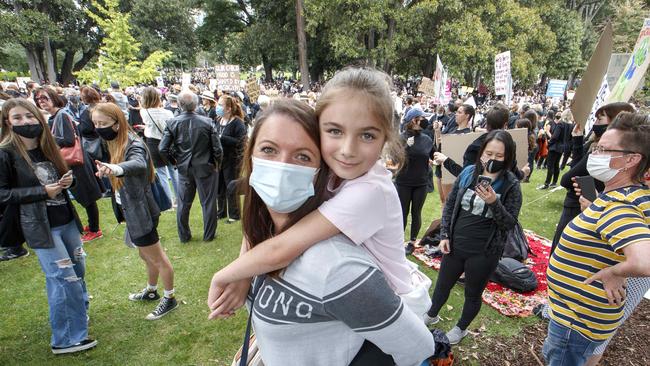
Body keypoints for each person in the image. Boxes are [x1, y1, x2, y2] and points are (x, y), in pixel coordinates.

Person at [208, 98, 437, 365]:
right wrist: (245, 273)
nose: (283, 167)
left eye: (302, 156)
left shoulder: (337, 266)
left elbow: (417, 347)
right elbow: (267, 239)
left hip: (400, 292)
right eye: (269, 150)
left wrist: (228, 273)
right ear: (251, 155)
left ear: (322, 170)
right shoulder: (266, 230)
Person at [544, 112, 650, 366]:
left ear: (632, 159)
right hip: (577, 318)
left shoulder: (620, 206)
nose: (595, 154)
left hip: (575, 323)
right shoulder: (625, 195)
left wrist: (616, 272)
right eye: (596, 147)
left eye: (604, 150)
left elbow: (644, 261)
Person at [0, 98, 96, 354]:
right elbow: (3, 194)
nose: (25, 122)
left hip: (67, 220)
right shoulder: (5, 152)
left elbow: (63, 179)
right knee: (63, 279)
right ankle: (66, 339)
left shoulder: (48, 145)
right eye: (17, 118)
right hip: (41, 227)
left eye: (29, 116)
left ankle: (78, 316)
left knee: (78, 271)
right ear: (7, 122)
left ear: (38, 118)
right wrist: (41, 192)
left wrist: (68, 182)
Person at [425, 130, 522, 345]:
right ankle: (431, 314)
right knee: (442, 285)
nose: (492, 160)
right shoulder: (468, 173)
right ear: (481, 153)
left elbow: (509, 224)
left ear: (508, 158)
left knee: (473, 292)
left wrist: (493, 203)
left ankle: (461, 329)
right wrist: (445, 235)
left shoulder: (511, 185)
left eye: (499, 156)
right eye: (489, 154)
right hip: (456, 244)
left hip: (484, 252)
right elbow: (450, 206)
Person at [91, 102, 178, 320]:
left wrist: (116, 169)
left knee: (157, 257)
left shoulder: (133, 144)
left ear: (117, 123)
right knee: (145, 255)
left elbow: (138, 164)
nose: (98, 127)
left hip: (141, 212)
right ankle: (151, 291)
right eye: (95, 123)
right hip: (131, 210)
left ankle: (170, 298)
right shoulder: (114, 142)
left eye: (103, 123)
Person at [549, 102, 635, 252]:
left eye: (600, 119)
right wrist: (577, 140)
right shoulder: (593, 145)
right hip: (580, 206)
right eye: (598, 149)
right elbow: (577, 168)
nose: (597, 154)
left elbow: (568, 178)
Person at [34, 87, 104, 243]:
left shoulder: (61, 115)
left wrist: (48, 140)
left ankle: (95, 229)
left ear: (53, 97)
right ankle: (92, 226)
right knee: (83, 197)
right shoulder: (54, 117)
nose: (41, 101)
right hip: (71, 162)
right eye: (38, 99)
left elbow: (69, 140)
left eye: (44, 98)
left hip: (76, 162)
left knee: (87, 198)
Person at [159, 91, 223, 242]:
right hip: (204, 167)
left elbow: (162, 148)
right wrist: (217, 163)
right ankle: (208, 235)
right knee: (207, 202)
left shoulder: (174, 122)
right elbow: (218, 149)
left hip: (186, 168)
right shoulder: (206, 122)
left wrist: (174, 161)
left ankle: (184, 236)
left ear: (180, 105)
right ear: (196, 104)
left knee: (184, 203)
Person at [397, 108, 434, 255]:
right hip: (404, 181)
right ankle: (398, 241)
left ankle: (412, 241)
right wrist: (406, 147)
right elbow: (395, 159)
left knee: (416, 212)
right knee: (403, 213)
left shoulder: (427, 139)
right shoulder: (401, 138)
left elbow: (433, 154)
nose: (425, 121)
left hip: (421, 182)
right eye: (421, 119)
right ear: (414, 120)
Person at [140, 87, 178, 207]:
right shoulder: (168, 113)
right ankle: (179, 197)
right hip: (168, 143)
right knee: (173, 170)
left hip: (153, 143)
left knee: (161, 173)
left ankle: (168, 201)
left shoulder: (144, 112)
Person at [215, 95, 247, 223]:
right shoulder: (218, 120)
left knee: (231, 186)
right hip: (220, 160)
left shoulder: (237, 123)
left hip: (233, 160)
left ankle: (234, 214)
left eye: (220, 105)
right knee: (220, 187)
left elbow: (241, 142)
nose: (218, 107)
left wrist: (223, 138)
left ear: (228, 108)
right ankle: (221, 212)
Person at [539, 111, 568, 189]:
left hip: (555, 147)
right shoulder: (568, 125)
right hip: (561, 147)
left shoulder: (560, 124)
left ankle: (547, 184)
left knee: (550, 165)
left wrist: (549, 143)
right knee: (556, 165)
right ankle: (554, 182)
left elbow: (555, 137)